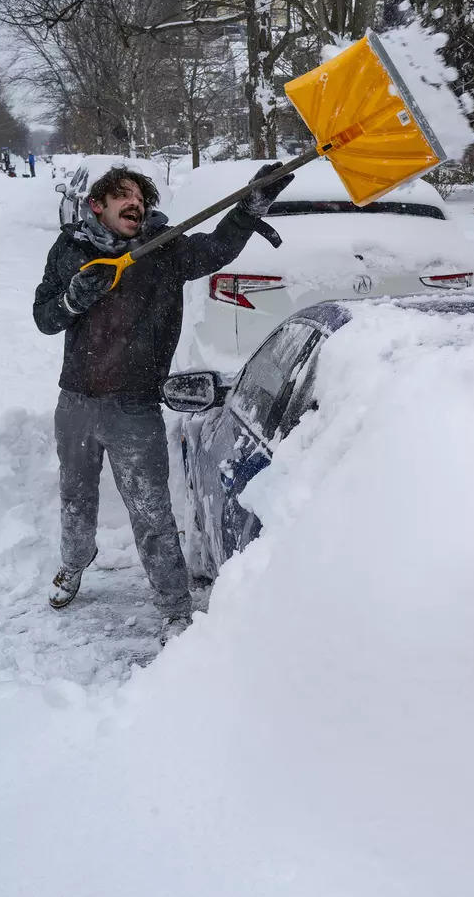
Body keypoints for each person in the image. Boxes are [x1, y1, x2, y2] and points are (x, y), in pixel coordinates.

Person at [32, 163, 292, 622]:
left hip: (134, 406)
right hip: (75, 401)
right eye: (123, 196)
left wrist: (251, 205)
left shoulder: (163, 249)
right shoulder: (70, 248)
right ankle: (74, 563)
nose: (135, 203)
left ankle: (174, 610)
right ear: (99, 204)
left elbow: (215, 249)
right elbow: (45, 317)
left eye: (141, 198)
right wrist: (75, 297)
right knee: (75, 496)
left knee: (152, 513)